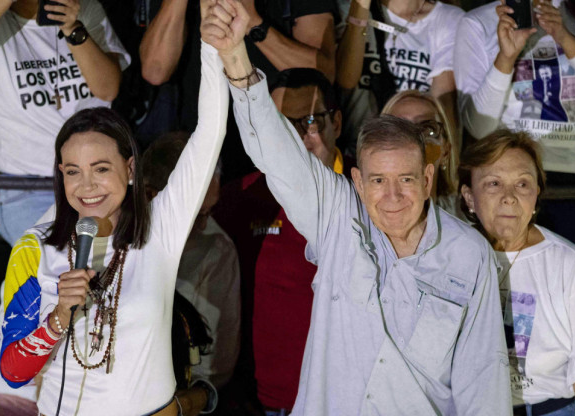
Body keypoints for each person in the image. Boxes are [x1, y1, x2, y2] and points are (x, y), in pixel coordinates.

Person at [206, 2, 510, 414]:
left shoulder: (469, 254)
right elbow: (276, 153)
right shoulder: (337, 219)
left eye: (405, 179)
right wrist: (234, 55)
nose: (392, 196)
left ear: (426, 179)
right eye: (378, 181)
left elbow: (484, 381)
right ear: (357, 183)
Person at [0, 8, 229, 413]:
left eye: (101, 169)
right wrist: (57, 319)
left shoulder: (161, 227)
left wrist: (213, 46)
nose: (87, 186)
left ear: (130, 167)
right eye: (73, 172)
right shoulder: (35, 246)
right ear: (60, 175)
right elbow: (12, 371)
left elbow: (209, 134)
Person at [215, 67, 352, 415]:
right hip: (260, 401)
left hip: (348, 398)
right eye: (280, 124)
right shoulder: (235, 200)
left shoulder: (371, 191)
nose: (294, 137)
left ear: (335, 122)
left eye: (307, 120)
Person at [453, 0, 575, 266]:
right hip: (509, 178)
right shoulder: (477, 22)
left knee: (569, 286)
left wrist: (564, 37)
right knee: (509, 289)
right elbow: (478, 127)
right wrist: (506, 58)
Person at [458, 129, 575, 415]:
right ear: (469, 197)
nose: (509, 197)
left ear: (536, 196)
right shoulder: (452, 256)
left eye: (522, 184)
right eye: (494, 183)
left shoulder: (566, 262)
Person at [0, 0, 129, 245]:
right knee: (60, 270)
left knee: (114, 269)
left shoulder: (85, 9)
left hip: (96, 182)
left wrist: (72, 28)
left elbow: (107, 88)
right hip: (28, 191)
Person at [139, 0, 336, 179]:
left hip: (279, 152)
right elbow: (155, 71)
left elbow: (323, 74)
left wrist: (253, 23)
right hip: (204, 157)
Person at [141, 132, 241, 413]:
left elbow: (213, 368)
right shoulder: (110, 235)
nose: (203, 225)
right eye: (196, 212)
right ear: (150, 195)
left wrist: (182, 405)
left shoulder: (216, 250)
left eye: (211, 210)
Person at [335, 0, 464, 154]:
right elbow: (346, 80)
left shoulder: (447, 18)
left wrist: (450, 167)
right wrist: (360, 8)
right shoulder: (349, 8)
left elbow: (443, 108)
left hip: (414, 155)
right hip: (355, 152)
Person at [380, 90, 462, 218]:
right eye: (399, 129)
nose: (413, 139)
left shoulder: (467, 216)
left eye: (428, 129)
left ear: (445, 152)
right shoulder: (356, 215)